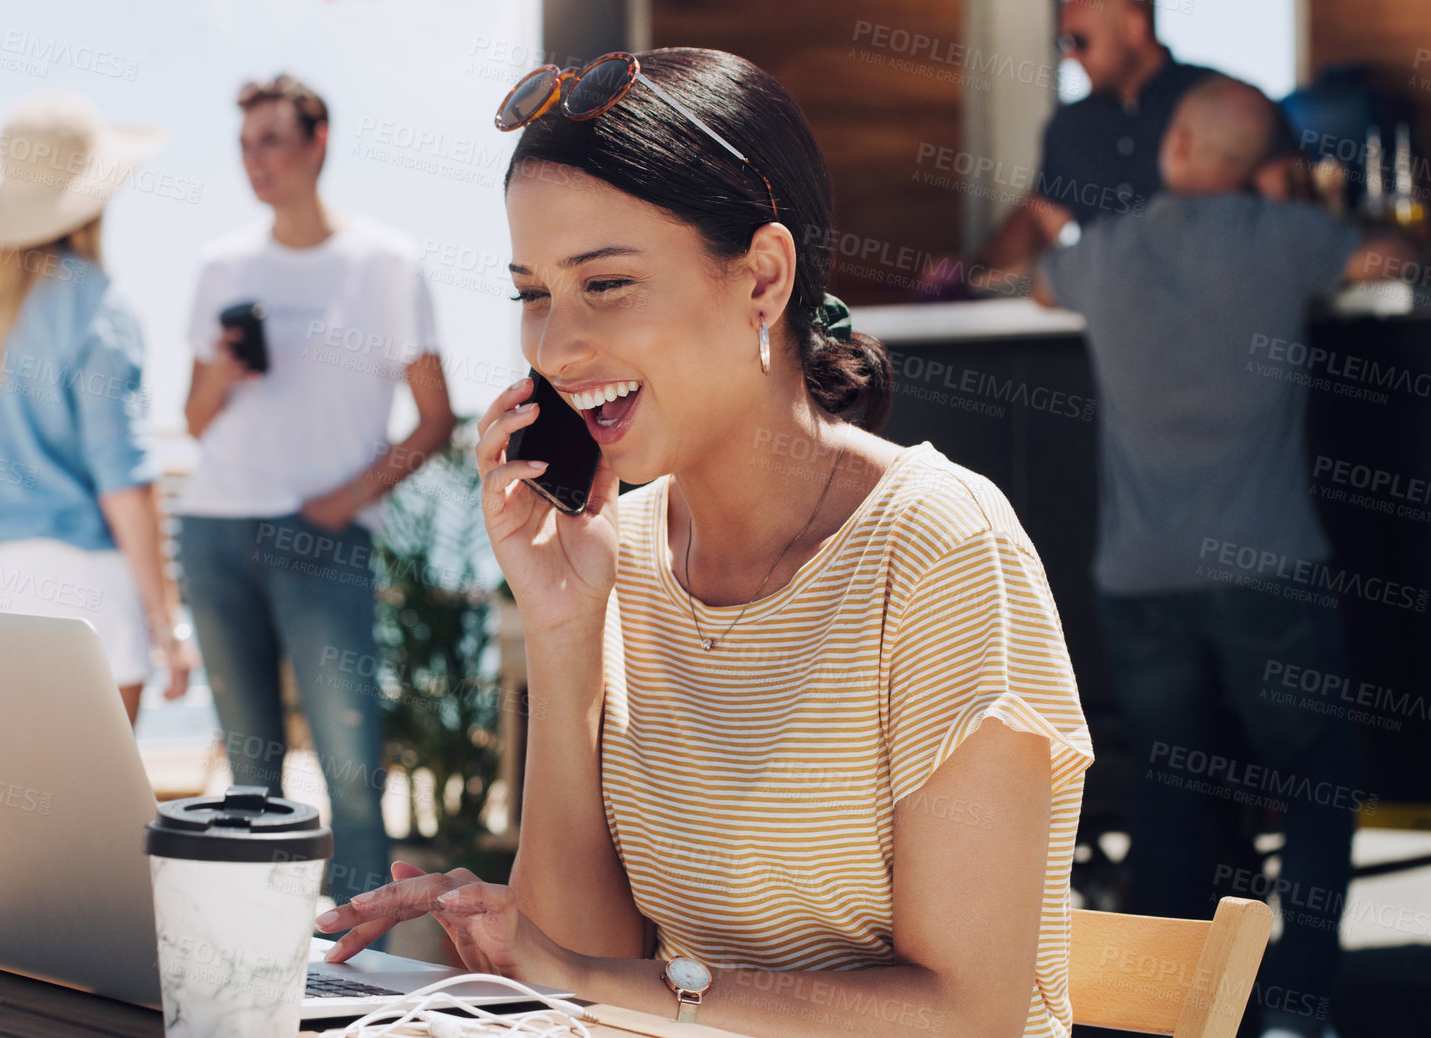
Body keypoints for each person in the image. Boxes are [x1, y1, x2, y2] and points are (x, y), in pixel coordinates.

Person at [318, 48, 1095, 1037]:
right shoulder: (617, 551)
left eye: (604, 284)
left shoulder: (941, 550)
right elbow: (574, 967)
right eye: (532, 294)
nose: (555, 347)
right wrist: (562, 631)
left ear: (762, 278)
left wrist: (585, 971)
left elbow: (964, 1014)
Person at [1035, 76, 1409, 1038]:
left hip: (1139, 578)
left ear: (1182, 145)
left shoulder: (1105, 251)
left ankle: (1170, 1017)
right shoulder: (1286, 241)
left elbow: (1040, 279)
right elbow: (1390, 255)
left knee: (1170, 791)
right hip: (1267, 570)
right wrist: (1291, 203)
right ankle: (1296, 1010)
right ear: (1262, 167)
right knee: (1317, 790)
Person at [178, 74, 457, 911]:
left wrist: (344, 501)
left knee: (350, 763)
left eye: (271, 140)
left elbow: (435, 417)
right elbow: (194, 419)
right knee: (250, 762)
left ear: (317, 142)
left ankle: (363, 962)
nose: (255, 160)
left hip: (325, 536)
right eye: (244, 145)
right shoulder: (221, 263)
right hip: (216, 528)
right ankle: (253, 939)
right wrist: (227, 368)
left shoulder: (385, 262)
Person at [0, 90, 193, 721]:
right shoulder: (101, 307)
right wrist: (168, 623)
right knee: (94, 815)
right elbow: (123, 478)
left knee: (0, 805)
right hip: (85, 590)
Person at [926, 0, 1302, 298]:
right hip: (1113, 343)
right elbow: (1042, 219)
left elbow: (1292, 208)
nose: (1068, 56)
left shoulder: (1228, 103)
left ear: (1134, 27)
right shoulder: (1069, 127)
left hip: (1222, 322)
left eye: (1079, 41)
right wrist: (968, 273)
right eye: (1062, 43)